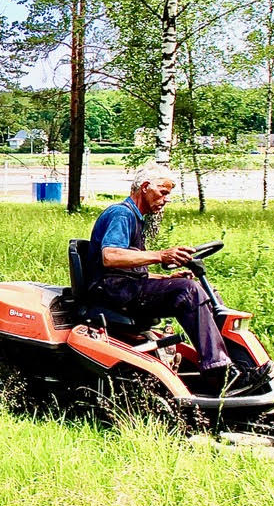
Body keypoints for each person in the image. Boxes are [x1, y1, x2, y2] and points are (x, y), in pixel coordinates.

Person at [84, 163, 260, 394]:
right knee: (188, 291)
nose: (166, 199)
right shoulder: (122, 213)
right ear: (145, 187)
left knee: (201, 290)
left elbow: (130, 268)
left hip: (122, 285)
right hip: (111, 291)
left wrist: (166, 277)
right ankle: (218, 373)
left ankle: (232, 364)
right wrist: (161, 256)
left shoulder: (135, 218)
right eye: (163, 192)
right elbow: (110, 256)